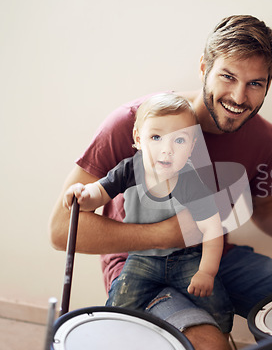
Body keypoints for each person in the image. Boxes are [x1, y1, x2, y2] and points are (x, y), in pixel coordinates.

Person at [49, 15, 272, 350]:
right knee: (209, 346)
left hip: (215, 257)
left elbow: (265, 208)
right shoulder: (137, 122)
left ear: (269, 83)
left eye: (255, 84)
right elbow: (61, 230)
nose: (239, 97)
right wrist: (168, 233)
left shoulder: (264, 137)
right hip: (140, 264)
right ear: (204, 68)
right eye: (228, 77)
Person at [61, 93, 233, 333]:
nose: (167, 150)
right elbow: (98, 194)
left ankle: (223, 337)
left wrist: (206, 271)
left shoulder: (190, 179)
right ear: (138, 139)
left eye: (179, 141)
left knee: (219, 305)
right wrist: (83, 194)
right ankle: (114, 338)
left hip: (186, 258)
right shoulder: (130, 169)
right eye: (156, 137)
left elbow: (212, 227)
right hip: (143, 258)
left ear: (193, 146)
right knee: (119, 302)